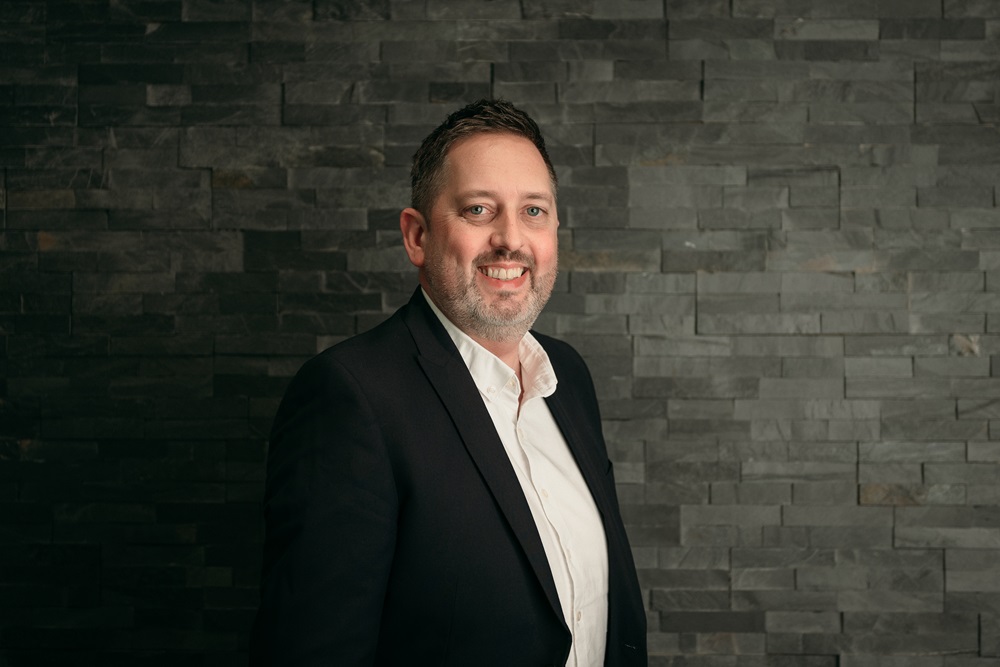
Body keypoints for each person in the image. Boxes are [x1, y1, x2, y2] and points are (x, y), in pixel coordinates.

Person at [250, 99, 647, 666]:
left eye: (534, 211)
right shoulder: (350, 397)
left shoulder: (569, 378)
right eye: (479, 210)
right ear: (417, 236)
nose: (511, 239)